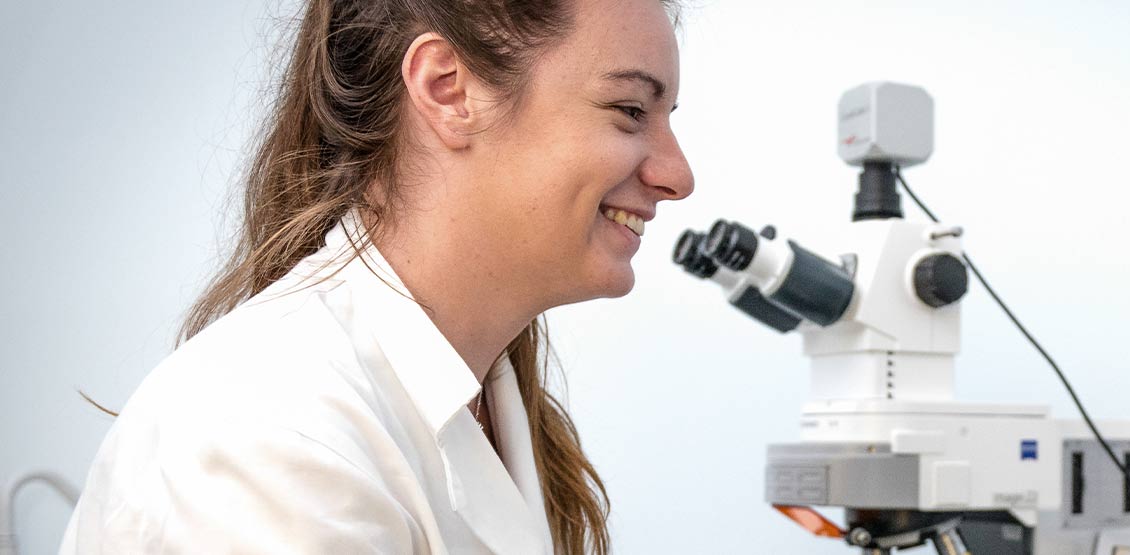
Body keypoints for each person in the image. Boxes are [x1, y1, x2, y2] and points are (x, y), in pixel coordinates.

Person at [60, 0, 691, 552]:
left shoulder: (489, 406)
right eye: (630, 110)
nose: (678, 175)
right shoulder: (267, 437)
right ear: (447, 88)